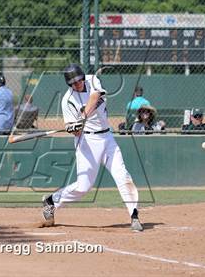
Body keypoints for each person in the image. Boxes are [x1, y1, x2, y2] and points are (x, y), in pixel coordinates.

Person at [41, 64, 143, 232]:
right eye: (73, 83)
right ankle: (51, 201)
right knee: (83, 187)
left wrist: (82, 116)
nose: (77, 84)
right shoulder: (68, 100)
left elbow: (95, 97)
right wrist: (74, 128)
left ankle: (134, 216)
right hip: (87, 141)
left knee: (122, 175)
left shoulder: (92, 80)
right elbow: (75, 131)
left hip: (107, 137)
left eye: (79, 80)